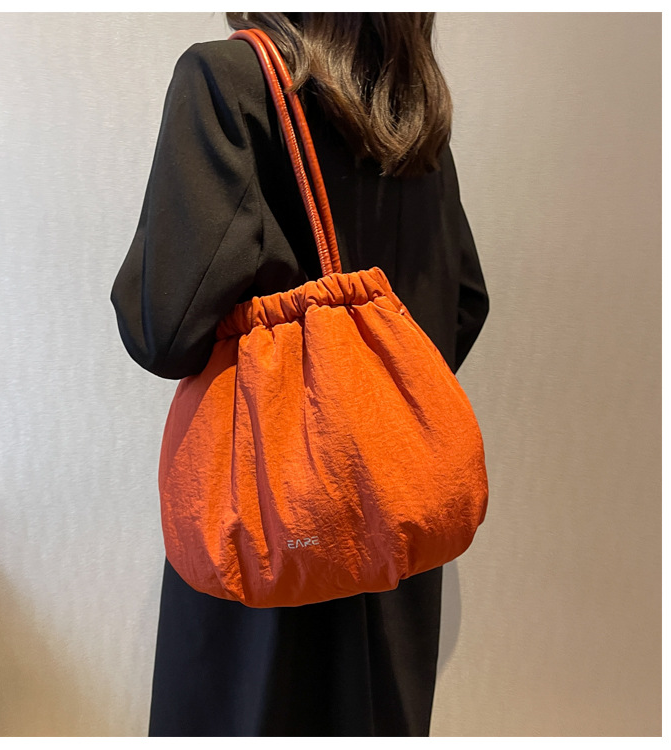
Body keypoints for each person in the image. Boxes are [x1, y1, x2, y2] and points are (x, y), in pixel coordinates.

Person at [110, 12, 489, 737]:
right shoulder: (412, 105)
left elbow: (164, 331)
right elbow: (464, 300)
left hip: (271, 531)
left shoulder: (228, 80)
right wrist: (375, 411)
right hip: (398, 538)